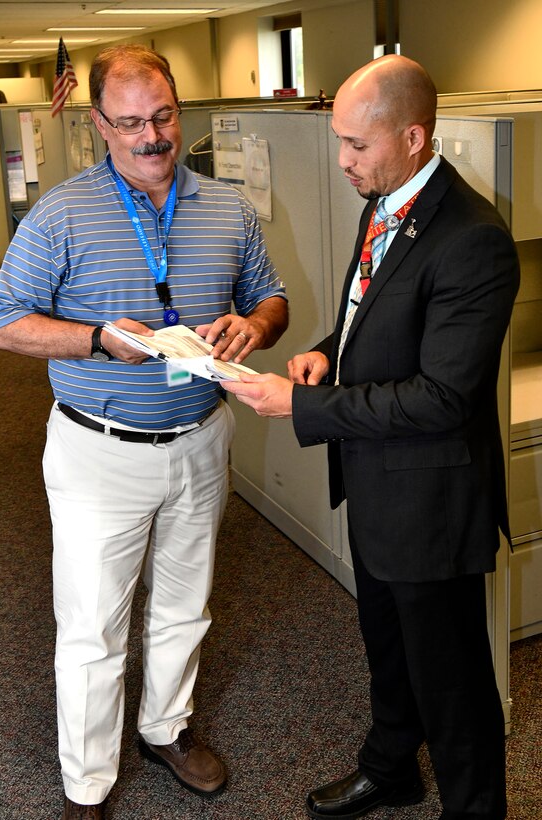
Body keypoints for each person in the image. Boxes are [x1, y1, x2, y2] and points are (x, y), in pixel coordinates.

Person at [0, 44, 287, 820]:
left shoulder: (225, 207)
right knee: (93, 624)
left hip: (200, 438)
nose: (151, 137)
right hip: (98, 450)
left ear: (179, 109)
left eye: (162, 116)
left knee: (187, 603)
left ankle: (165, 729)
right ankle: (86, 784)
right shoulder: (60, 213)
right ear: (98, 125)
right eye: (129, 123)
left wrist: (251, 325)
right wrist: (93, 339)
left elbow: (272, 297)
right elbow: (1, 325)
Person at [223, 54, 519, 820]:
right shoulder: (384, 202)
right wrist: (329, 348)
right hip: (378, 488)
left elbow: (442, 399)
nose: (343, 160)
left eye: (358, 144)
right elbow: (374, 317)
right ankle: (391, 767)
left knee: (452, 686)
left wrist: (302, 405)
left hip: (431, 502)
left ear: (414, 135)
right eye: (340, 143)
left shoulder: (473, 239)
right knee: (388, 652)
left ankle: (475, 808)